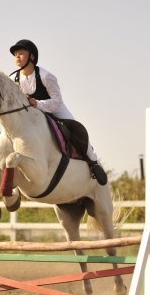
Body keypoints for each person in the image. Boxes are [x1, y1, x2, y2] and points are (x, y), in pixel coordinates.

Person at [9, 39, 107, 185]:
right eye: (15, 54)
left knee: (77, 129)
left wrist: (38, 104)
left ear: (32, 57)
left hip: (54, 109)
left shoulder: (46, 76)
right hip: (31, 115)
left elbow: (57, 101)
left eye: (21, 53)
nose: (17, 56)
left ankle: (93, 162)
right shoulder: (13, 78)